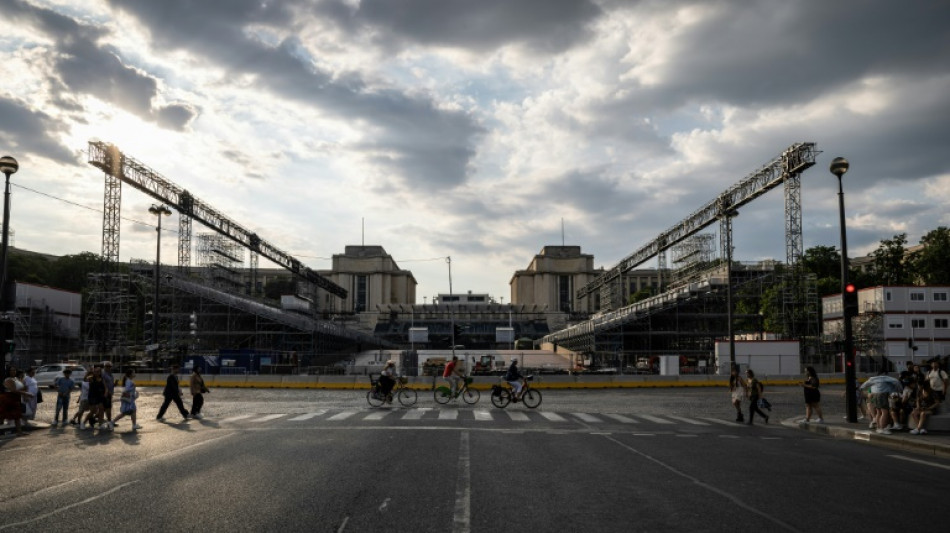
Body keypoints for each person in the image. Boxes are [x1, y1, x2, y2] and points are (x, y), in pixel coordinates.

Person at [1, 366, 31, 436]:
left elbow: (21, 387)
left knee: (17, 416)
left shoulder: (16, 378)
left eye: (14, 370)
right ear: (8, 371)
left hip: (16, 399)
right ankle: (19, 432)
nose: (13, 371)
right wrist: (25, 393)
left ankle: (19, 432)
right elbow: (13, 390)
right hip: (8, 399)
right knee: (3, 415)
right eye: (11, 370)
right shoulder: (8, 380)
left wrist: (25, 389)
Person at [83, 365, 109, 431]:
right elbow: (84, 379)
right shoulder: (91, 378)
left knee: (101, 409)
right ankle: (83, 423)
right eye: (95, 371)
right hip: (92, 396)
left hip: (100, 396)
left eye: (98, 371)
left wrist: (105, 393)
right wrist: (88, 372)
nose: (97, 373)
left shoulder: (102, 379)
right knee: (93, 411)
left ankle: (101, 424)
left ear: (100, 372)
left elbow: (106, 387)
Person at [102, 361, 115, 428]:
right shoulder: (103, 374)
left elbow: (111, 384)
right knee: (108, 408)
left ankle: (108, 421)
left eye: (110, 366)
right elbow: (103, 384)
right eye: (107, 366)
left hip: (110, 393)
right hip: (105, 393)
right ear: (104, 367)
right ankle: (109, 421)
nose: (108, 368)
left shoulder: (110, 374)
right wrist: (107, 391)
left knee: (105, 408)